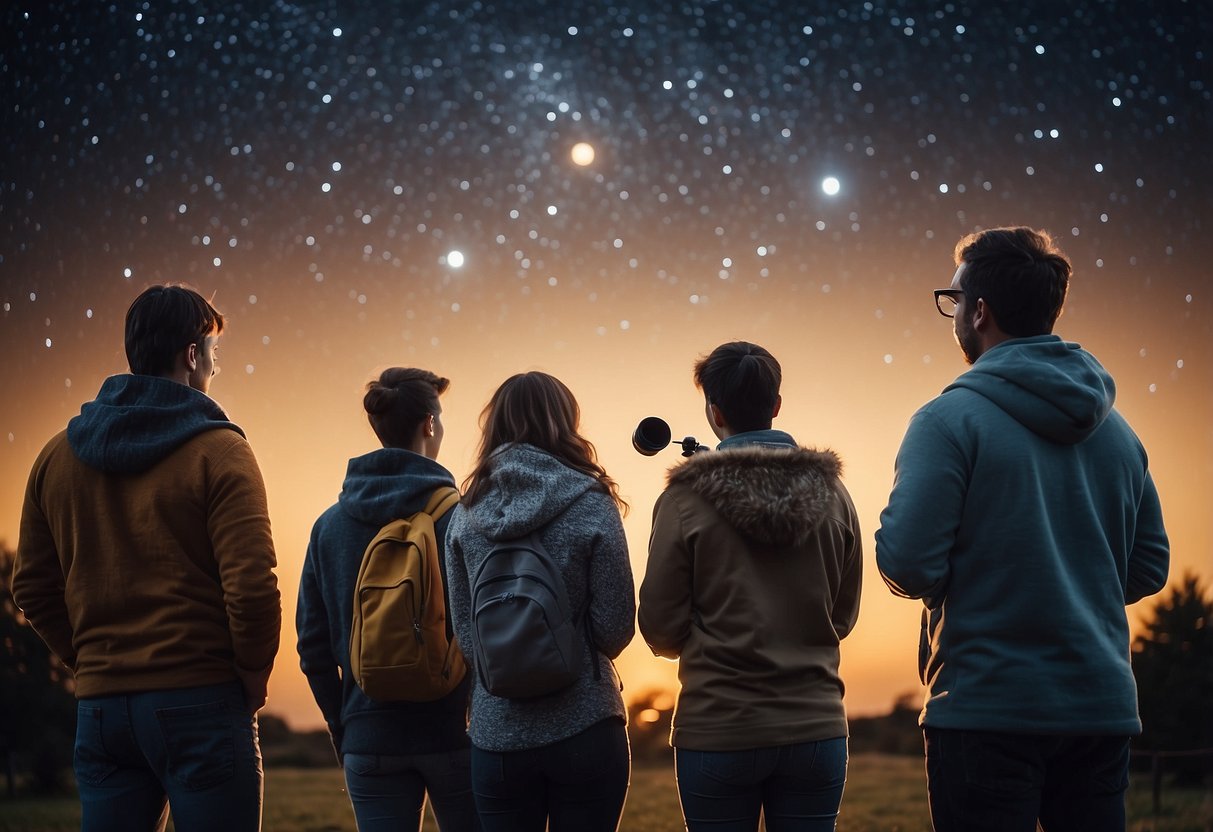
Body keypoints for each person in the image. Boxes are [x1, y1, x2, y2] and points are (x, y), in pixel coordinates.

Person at [875, 227, 1170, 832]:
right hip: (1100, 710)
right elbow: (1148, 567)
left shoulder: (946, 421)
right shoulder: (1120, 433)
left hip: (986, 708)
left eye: (954, 301)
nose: (953, 314)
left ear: (980, 312)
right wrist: (1072, 584)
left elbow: (906, 563)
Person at [12, 284, 281, 831]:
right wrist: (253, 672)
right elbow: (251, 586)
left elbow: (32, 588)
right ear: (190, 355)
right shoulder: (221, 450)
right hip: (201, 702)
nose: (214, 367)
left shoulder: (54, 456)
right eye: (212, 353)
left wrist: (86, 661)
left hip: (102, 712)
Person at [638, 341, 863, 832]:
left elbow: (660, 627)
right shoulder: (835, 494)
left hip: (718, 729)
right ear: (776, 406)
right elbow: (842, 617)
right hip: (816, 729)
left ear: (714, 412)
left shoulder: (683, 499)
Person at [444, 371, 635, 832]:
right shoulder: (591, 500)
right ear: (566, 422)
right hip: (586, 723)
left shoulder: (465, 515)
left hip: (496, 735)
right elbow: (615, 627)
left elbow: (469, 641)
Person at [296, 367, 478, 832]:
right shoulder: (462, 520)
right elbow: (483, 627)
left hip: (368, 736)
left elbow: (313, 648)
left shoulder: (329, 526)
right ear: (429, 425)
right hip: (454, 733)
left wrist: (346, 728)